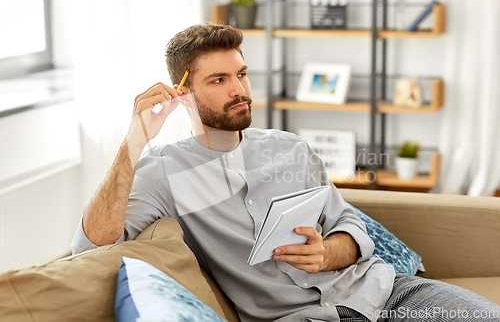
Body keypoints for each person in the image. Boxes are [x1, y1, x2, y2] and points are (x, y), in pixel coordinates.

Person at [72, 24, 500, 322]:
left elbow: (347, 221)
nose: (239, 90)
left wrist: (329, 253)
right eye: (219, 79)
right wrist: (134, 142)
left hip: (389, 294)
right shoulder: (163, 171)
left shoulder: (290, 147)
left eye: (241, 74)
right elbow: (89, 247)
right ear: (182, 93)